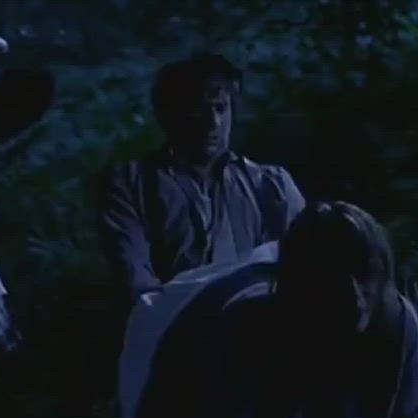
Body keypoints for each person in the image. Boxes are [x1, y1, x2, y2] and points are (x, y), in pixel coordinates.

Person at [136, 201, 418, 418]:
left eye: (364, 273)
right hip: (181, 386)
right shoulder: (249, 330)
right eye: (335, 278)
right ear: (305, 283)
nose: (354, 297)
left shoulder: (397, 328)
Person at [96, 52, 306, 309]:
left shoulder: (271, 186)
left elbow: (305, 269)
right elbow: (137, 284)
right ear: (168, 115)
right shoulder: (132, 184)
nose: (213, 123)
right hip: (172, 325)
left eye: (221, 108)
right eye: (198, 110)